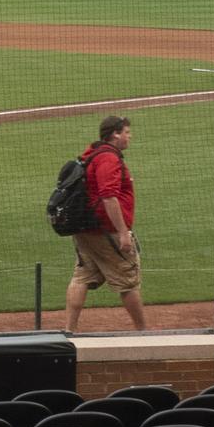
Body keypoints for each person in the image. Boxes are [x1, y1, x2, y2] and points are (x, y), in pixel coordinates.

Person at [65, 115, 148, 333]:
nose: (130, 137)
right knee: (127, 279)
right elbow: (109, 196)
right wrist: (123, 233)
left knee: (82, 277)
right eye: (127, 132)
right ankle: (143, 332)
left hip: (86, 228)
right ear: (115, 134)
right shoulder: (108, 159)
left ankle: (69, 330)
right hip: (105, 230)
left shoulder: (92, 153)